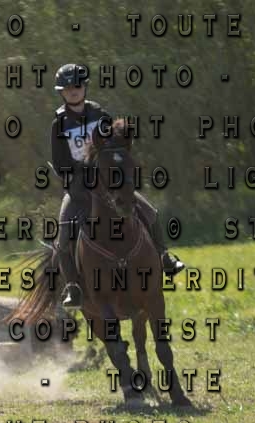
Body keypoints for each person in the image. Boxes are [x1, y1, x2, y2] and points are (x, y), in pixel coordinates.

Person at [50, 63, 184, 309]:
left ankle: (165, 257)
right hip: (79, 188)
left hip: (108, 182)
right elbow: (60, 164)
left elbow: (116, 145)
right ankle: (73, 288)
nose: (73, 91)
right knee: (64, 233)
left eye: (77, 86)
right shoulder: (59, 123)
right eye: (68, 88)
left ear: (84, 87)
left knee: (150, 212)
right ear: (62, 92)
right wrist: (84, 170)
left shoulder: (100, 114)